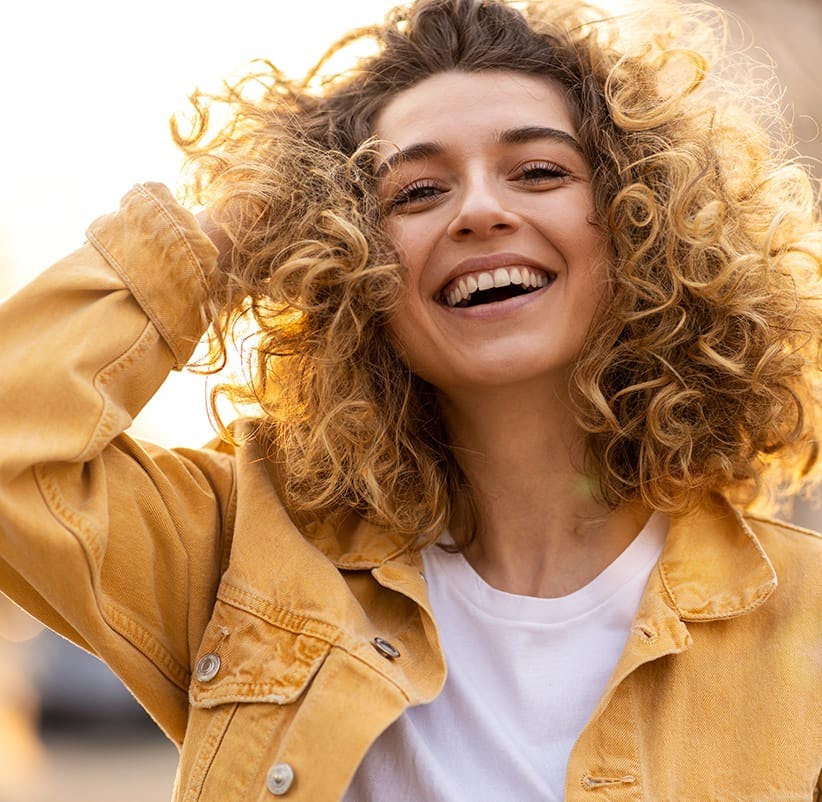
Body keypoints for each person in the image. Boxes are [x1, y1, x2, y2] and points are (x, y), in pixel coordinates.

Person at [0, 0, 820, 799]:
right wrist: (242, 224)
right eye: (415, 194)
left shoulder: (805, 614)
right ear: (351, 259)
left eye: (538, 172)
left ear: (644, 226)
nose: (480, 211)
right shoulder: (244, 555)